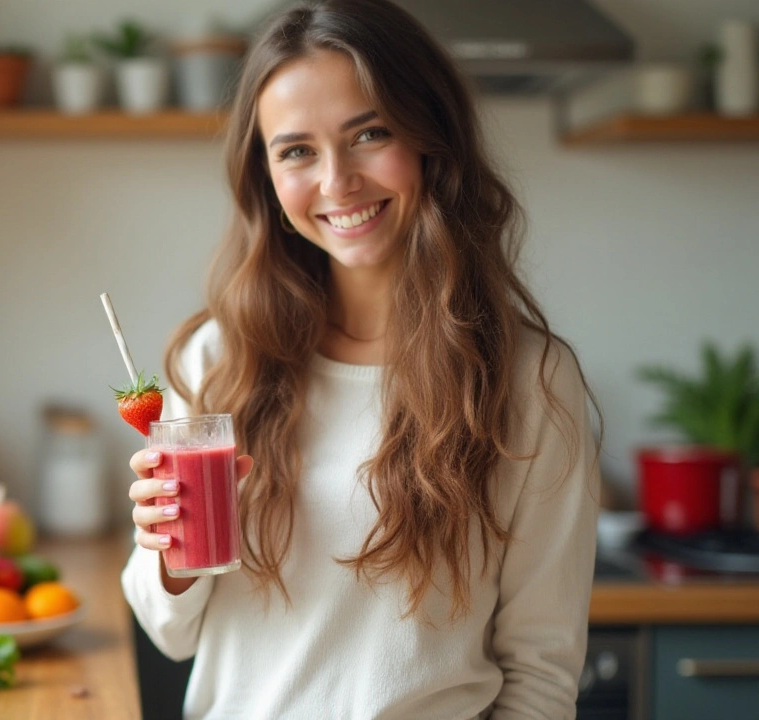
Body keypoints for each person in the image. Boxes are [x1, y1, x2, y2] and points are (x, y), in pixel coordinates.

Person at [120, 1, 602, 718]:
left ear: (430, 137)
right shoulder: (221, 359)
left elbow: (539, 673)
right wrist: (168, 549)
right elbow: (170, 633)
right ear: (268, 178)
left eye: (368, 134)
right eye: (296, 151)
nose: (336, 181)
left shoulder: (529, 383)